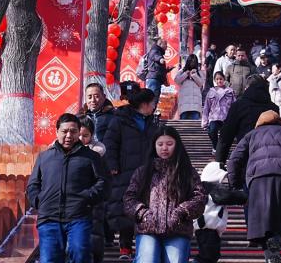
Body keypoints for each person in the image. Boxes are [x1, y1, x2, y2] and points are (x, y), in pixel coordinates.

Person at [227, 110, 281, 263]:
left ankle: (270, 250)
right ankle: (274, 245)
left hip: (258, 177)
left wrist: (235, 185)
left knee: (261, 218)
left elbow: (234, 159)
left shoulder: (251, 135)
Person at [27, 113, 109, 263]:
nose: (69, 136)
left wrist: (86, 198)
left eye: (73, 131)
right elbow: (33, 184)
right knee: (49, 259)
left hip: (79, 217)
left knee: (80, 254)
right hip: (49, 217)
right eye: (65, 131)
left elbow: (103, 182)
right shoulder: (44, 157)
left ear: (78, 132)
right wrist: (39, 201)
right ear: (57, 132)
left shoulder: (91, 157)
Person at [123, 126, 207, 263]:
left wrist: (181, 211)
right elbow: (129, 198)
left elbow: (199, 197)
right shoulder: (142, 172)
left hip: (178, 229)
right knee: (147, 259)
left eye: (169, 144)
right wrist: (143, 213)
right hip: (147, 229)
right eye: (160, 144)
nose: (164, 148)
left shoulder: (187, 172)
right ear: (154, 146)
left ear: (177, 145)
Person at [104, 89, 159, 259]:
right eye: (152, 102)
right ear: (144, 104)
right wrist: (112, 165)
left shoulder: (153, 122)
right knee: (126, 210)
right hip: (125, 172)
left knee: (146, 209)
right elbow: (110, 144)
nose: (154, 106)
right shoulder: (119, 120)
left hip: (148, 173)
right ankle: (125, 248)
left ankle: (145, 249)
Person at [215, 75, 280, 164]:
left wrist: (219, 162)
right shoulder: (274, 108)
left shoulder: (238, 106)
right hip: (271, 157)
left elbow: (226, 135)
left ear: (247, 88)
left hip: (247, 155)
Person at [79, 116, 108, 263]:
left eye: (85, 135)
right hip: (71, 202)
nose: (81, 139)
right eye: (78, 134)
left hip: (94, 201)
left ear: (92, 135)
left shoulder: (98, 153)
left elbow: (104, 179)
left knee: (94, 234)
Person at [193, 162, 229, 263]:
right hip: (207, 228)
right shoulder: (211, 187)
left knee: (211, 255)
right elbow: (228, 196)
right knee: (208, 255)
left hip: (207, 227)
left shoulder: (203, 187)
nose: (223, 180)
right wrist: (244, 197)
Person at [202, 71, 235, 153]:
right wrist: (204, 122)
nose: (219, 81)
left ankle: (221, 150)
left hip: (226, 117)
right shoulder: (211, 91)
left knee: (225, 136)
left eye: (220, 79)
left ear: (224, 79)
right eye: (217, 79)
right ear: (214, 80)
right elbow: (206, 107)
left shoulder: (230, 91)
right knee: (212, 131)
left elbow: (234, 106)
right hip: (214, 117)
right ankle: (215, 147)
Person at [174, 54, 205, 120]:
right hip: (184, 105)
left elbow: (201, 83)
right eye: (191, 61)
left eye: (194, 61)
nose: (192, 63)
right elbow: (176, 80)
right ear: (188, 61)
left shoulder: (199, 72)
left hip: (195, 105)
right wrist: (186, 74)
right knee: (183, 123)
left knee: (195, 124)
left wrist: (194, 75)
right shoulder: (182, 71)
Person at [145, 39, 172, 106]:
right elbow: (156, 57)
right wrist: (161, 59)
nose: (166, 47)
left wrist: (167, 70)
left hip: (156, 79)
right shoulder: (155, 50)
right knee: (152, 99)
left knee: (154, 99)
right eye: (165, 45)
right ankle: (149, 112)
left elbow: (157, 68)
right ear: (160, 44)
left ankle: (151, 112)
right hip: (153, 79)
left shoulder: (158, 51)